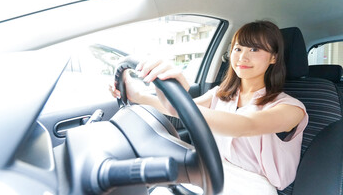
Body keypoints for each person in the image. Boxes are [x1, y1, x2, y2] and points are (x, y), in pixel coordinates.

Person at [109, 21, 308, 195]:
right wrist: (137, 94)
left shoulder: (291, 108)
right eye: (238, 49)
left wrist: (180, 101)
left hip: (253, 185)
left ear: (273, 57)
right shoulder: (220, 94)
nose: (242, 58)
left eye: (254, 50)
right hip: (210, 170)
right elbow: (177, 109)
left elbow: (244, 126)